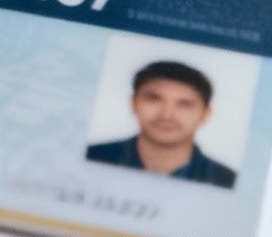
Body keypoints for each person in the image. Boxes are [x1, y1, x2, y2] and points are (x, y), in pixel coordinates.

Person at [86, 60, 237, 188]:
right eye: (153, 99)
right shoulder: (92, 157)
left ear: (205, 114)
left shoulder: (226, 181)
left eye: (184, 104)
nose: (166, 115)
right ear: (133, 103)